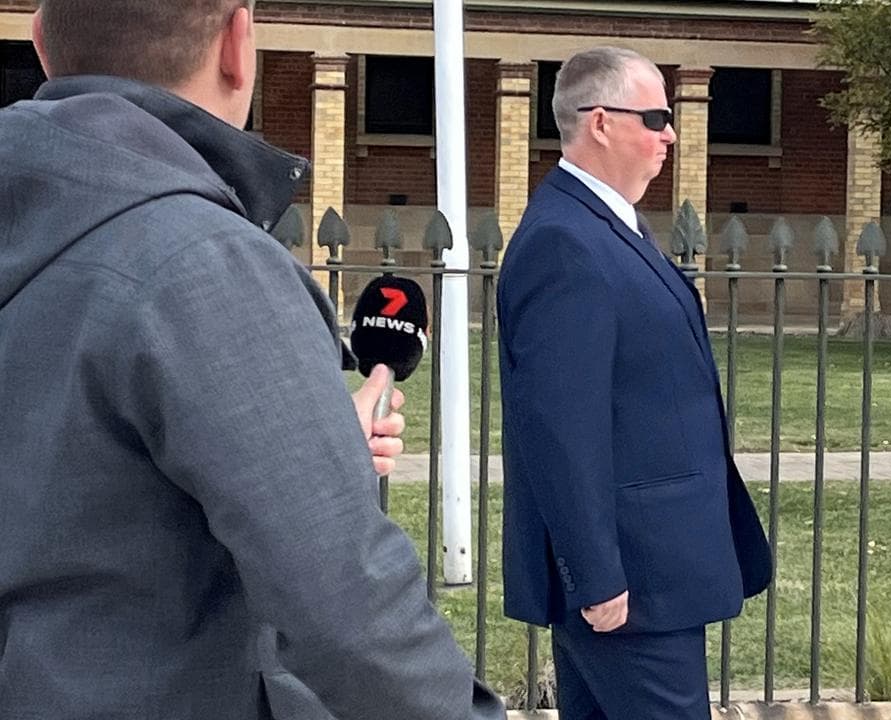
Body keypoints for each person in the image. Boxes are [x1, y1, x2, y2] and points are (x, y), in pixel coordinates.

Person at [0, 2, 502, 719]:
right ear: (239, 43)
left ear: (43, 44)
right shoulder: (201, 259)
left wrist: (303, 444)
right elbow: (346, 611)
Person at [498, 46, 773, 720]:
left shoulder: (609, 227)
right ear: (599, 122)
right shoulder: (564, 241)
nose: (670, 134)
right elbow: (562, 427)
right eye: (654, 117)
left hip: (654, 571)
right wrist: (597, 576)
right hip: (629, 584)